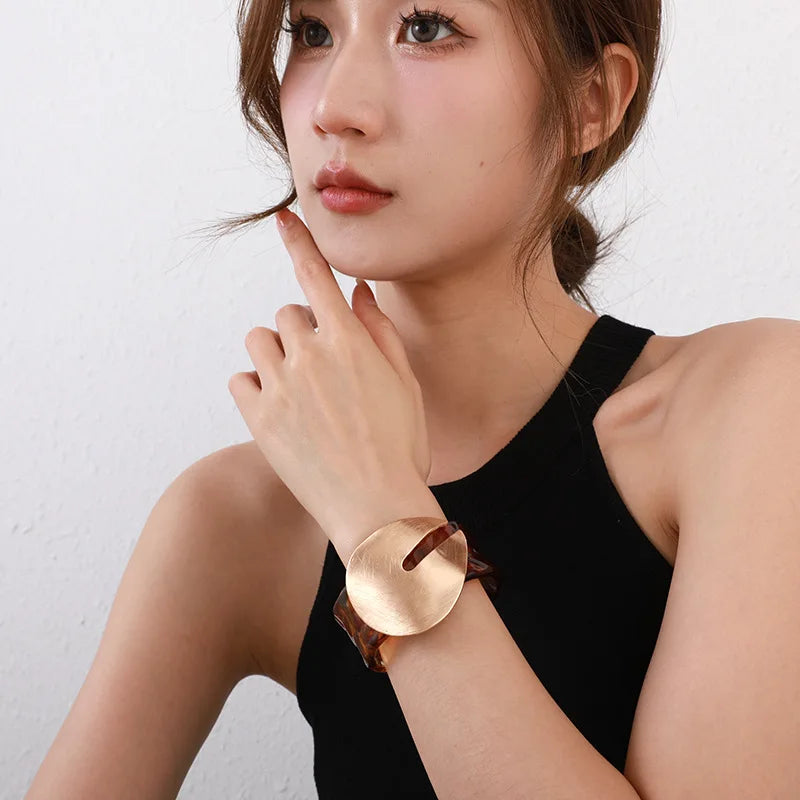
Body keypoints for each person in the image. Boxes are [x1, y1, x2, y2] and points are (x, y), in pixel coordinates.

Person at [25, 0, 800, 798]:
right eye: (313, 32)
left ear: (590, 101)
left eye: (426, 27)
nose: (334, 108)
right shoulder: (238, 517)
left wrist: (380, 517)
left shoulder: (754, 408)